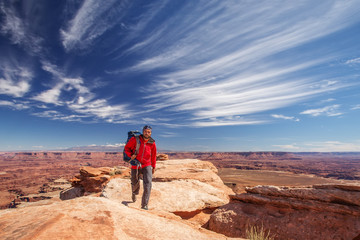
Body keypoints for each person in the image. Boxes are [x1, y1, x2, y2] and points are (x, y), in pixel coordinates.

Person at [124, 125, 157, 210]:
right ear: (143, 132)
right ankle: (134, 193)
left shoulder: (152, 142)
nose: (147, 133)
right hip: (136, 164)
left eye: (149, 132)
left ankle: (144, 205)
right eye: (146, 131)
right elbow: (126, 148)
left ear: (151, 133)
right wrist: (131, 156)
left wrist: (153, 166)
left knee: (148, 184)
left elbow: (153, 155)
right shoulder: (135, 139)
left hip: (147, 165)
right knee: (135, 182)